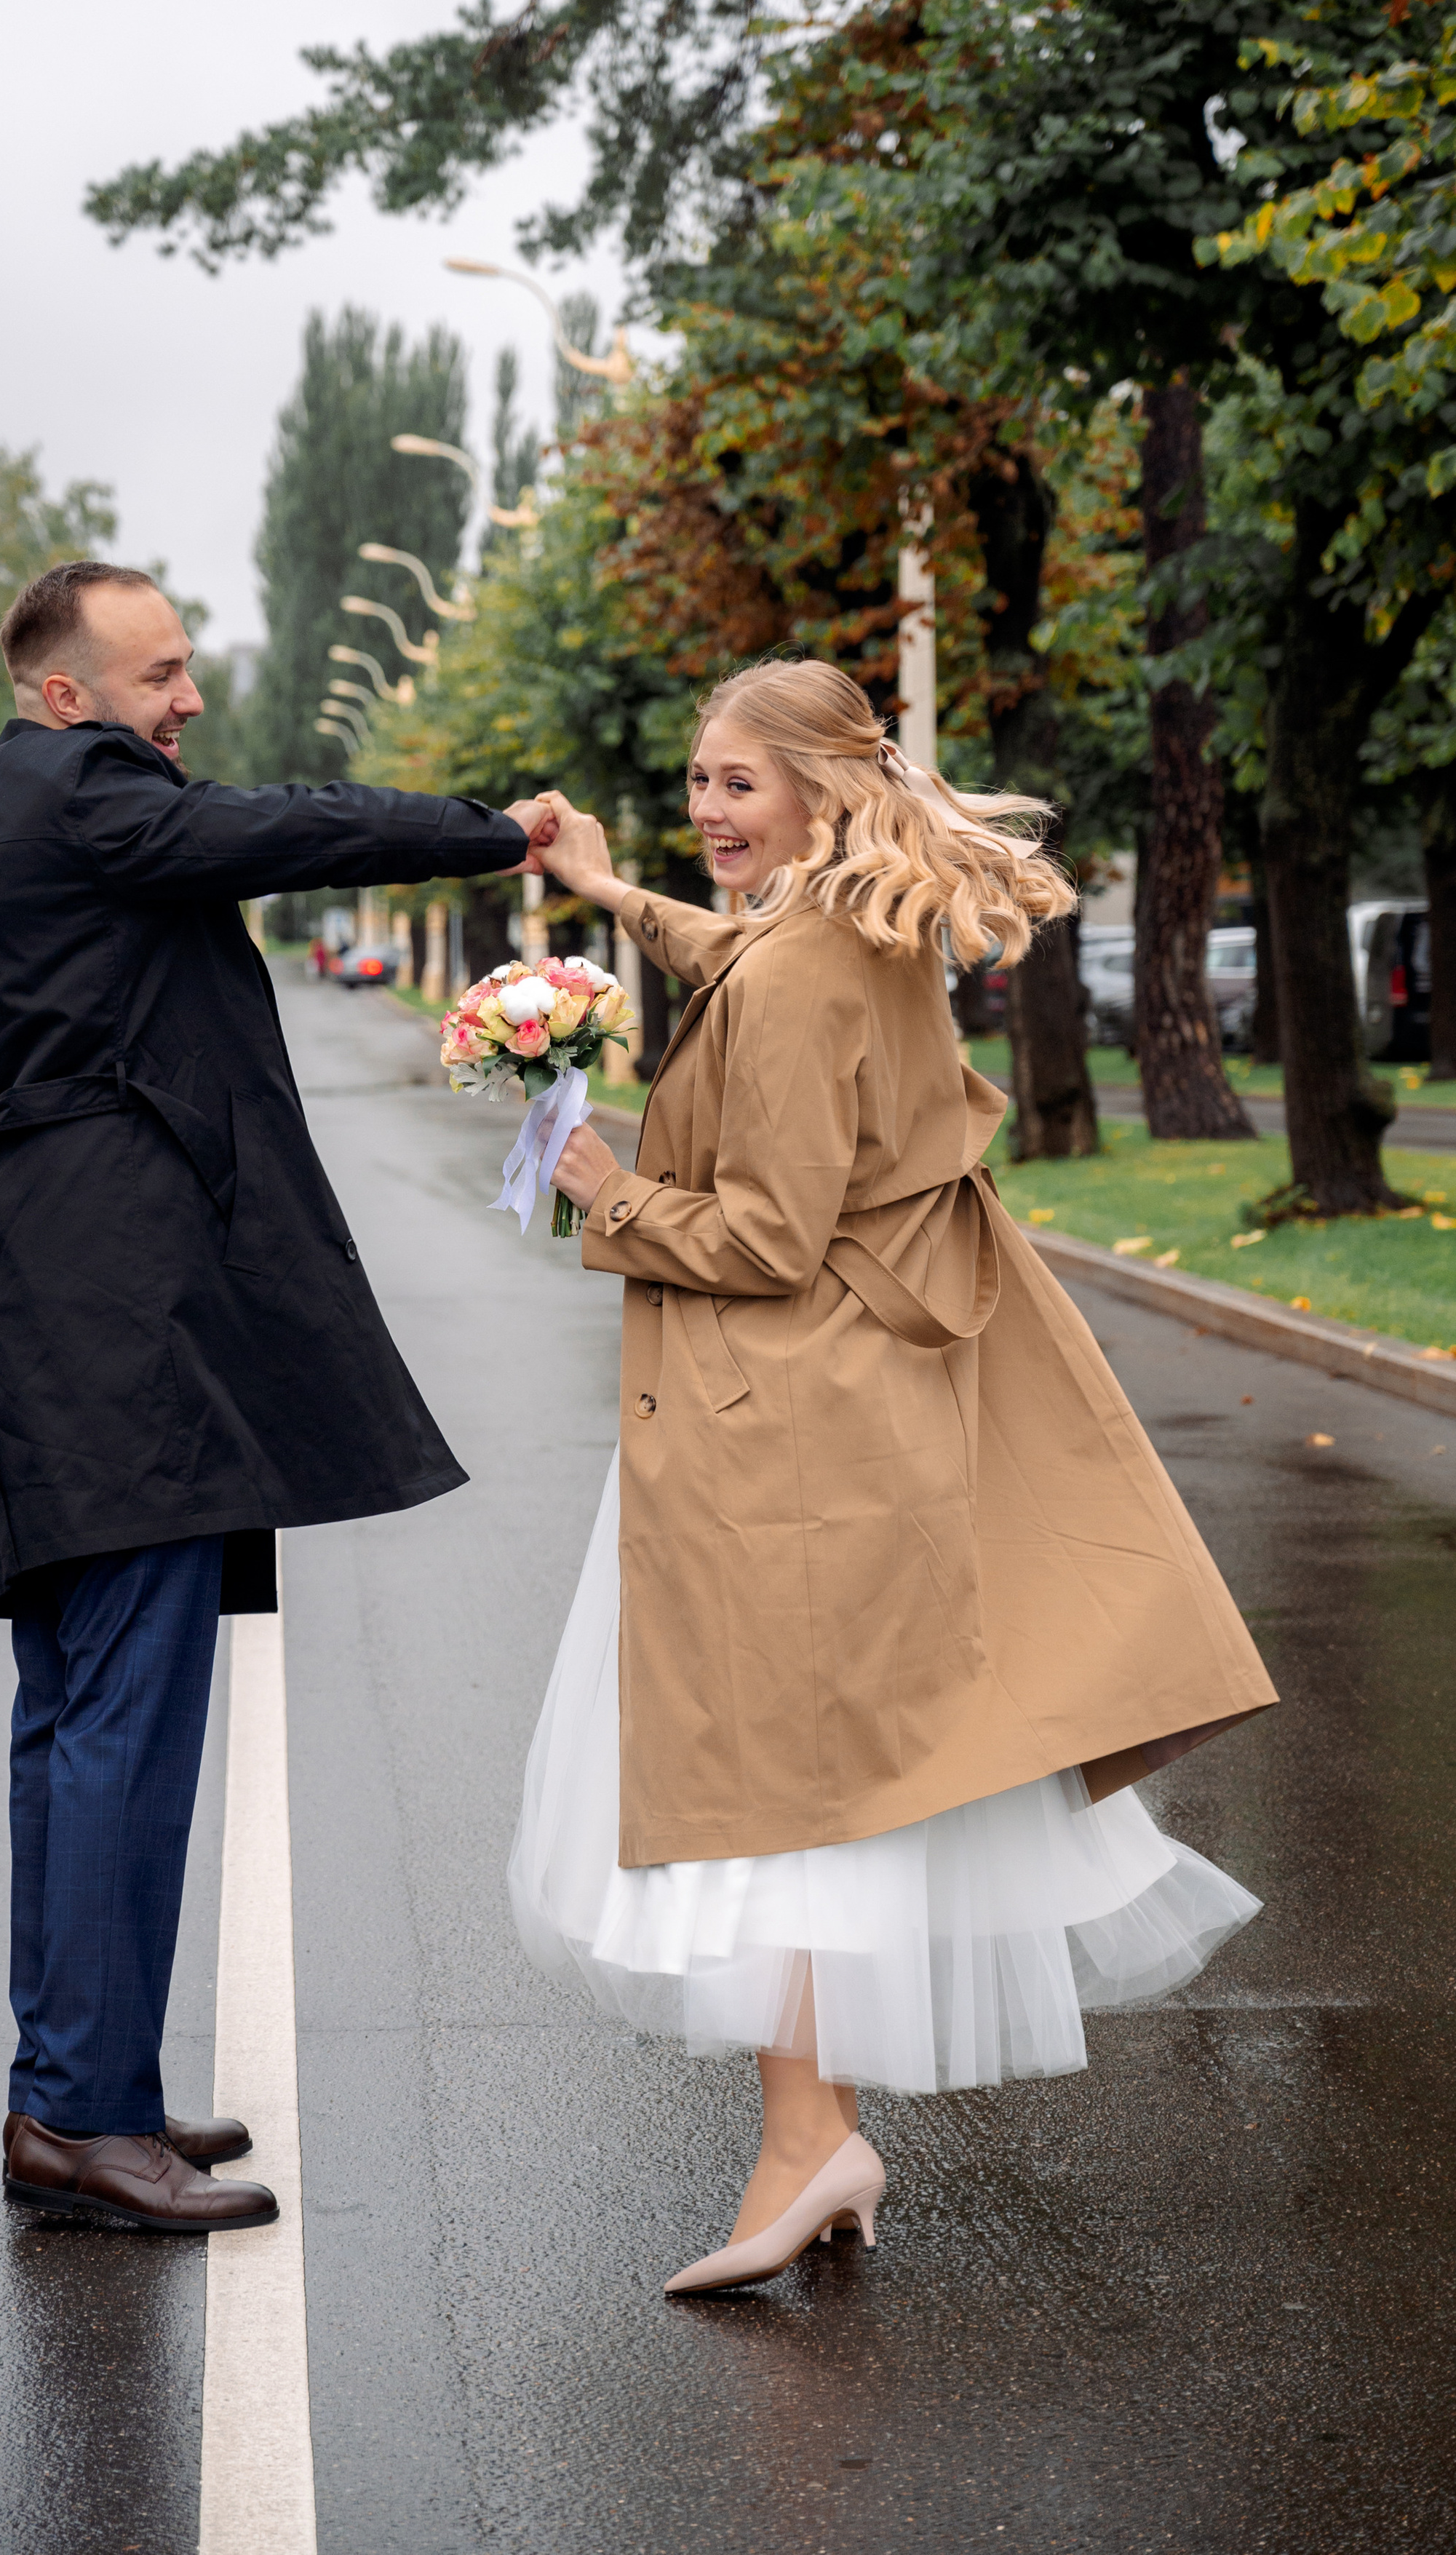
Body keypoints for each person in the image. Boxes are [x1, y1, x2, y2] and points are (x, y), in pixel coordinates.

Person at [509, 659, 1276, 2297]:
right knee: (812, 1797)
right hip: (827, 1420)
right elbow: (736, 962)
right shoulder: (841, 929)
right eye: (696, 780)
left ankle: (810, 2144)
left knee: (781, 1795)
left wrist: (606, 1187)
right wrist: (608, 891)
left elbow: (770, 1238)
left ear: (818, 786)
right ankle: (812, 2138)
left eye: (736, 782)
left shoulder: (804, 963)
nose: (709, 808)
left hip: (784, 1426)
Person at [0, 557, 548, 2236]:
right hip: (109, 1333)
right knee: (118, 1719)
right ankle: (78, 2115)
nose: (184, 701)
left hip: (40, 1312)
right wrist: (497, 831)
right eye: (157, 675)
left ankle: (79, 2096)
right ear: (67, 695)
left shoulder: (12, 805)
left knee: (71, 1720)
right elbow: (278, 832)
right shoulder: (81, 792)